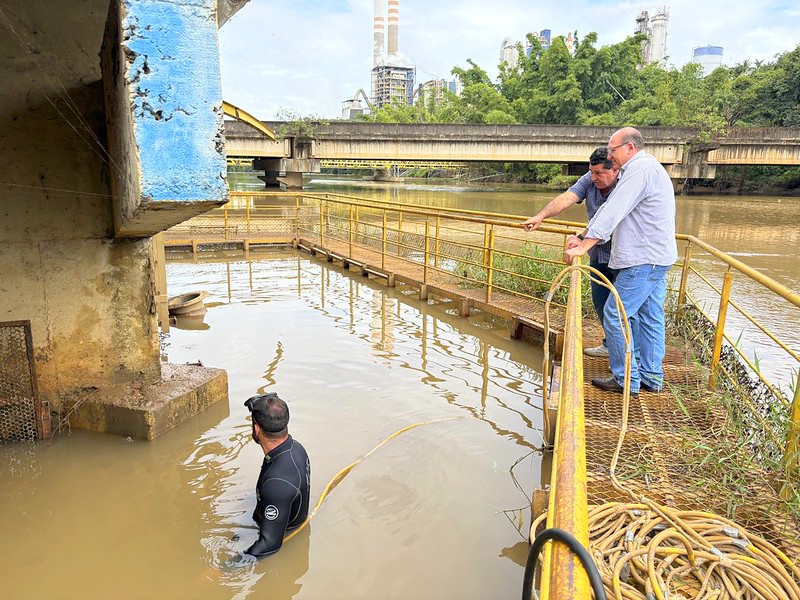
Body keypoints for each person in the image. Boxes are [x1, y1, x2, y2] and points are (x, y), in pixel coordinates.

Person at [564, 127, 678, 396]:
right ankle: (651, 376)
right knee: (650, 317)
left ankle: (627, 379)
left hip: (643, 259)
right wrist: (585, 236)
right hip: (656, 256)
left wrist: (584, 245)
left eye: (613, 149)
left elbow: (612, 211)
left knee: (616, 316)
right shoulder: (645, 169)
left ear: (629, 147)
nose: (610, 155)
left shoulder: (639, 170)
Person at [522, 147, 620, 357]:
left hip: (623, 257)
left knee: (623, 308)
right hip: (598, 254)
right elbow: (567, 197)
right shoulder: (590, 179)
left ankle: (629, 356)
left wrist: (582, 239)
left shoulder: (626, 186)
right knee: (601, 302)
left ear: (615, 170)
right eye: (591, 172)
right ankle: (611, 344)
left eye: (599, 174)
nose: (593, 178)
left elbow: (607, 219)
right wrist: (540, 217)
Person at [243, 392, 311, 558]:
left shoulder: (277, 484)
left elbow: (269, 544)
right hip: (280, 517)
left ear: (256, 428)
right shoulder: (295, 448)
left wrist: (227, 568)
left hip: (280, 533)